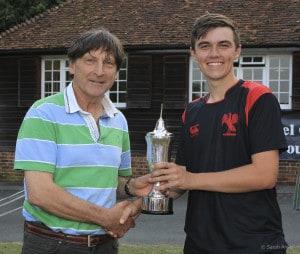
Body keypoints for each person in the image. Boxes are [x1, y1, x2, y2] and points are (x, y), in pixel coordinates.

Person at [150, 13, 288, 254]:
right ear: (193, 53)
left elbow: (265, 175)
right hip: (199, 242)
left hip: (254, 242)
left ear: (237, 51)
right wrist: (161, 186)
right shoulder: (191, 111)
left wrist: (190, 180)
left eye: (223, 45)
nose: (214, 54)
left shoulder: (258, 98)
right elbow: (183, 177)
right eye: (205, 46)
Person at [14, 29, 151, 254]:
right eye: (90, 60)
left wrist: (131, 187)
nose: (99, 71)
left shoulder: (119, 120)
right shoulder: (43, 113)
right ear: (72, 66)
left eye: (108, 63)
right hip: (52, 245)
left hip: (104, 245)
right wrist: (106, 218)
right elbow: (40, 193)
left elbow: (115, 181)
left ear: (116, 72)